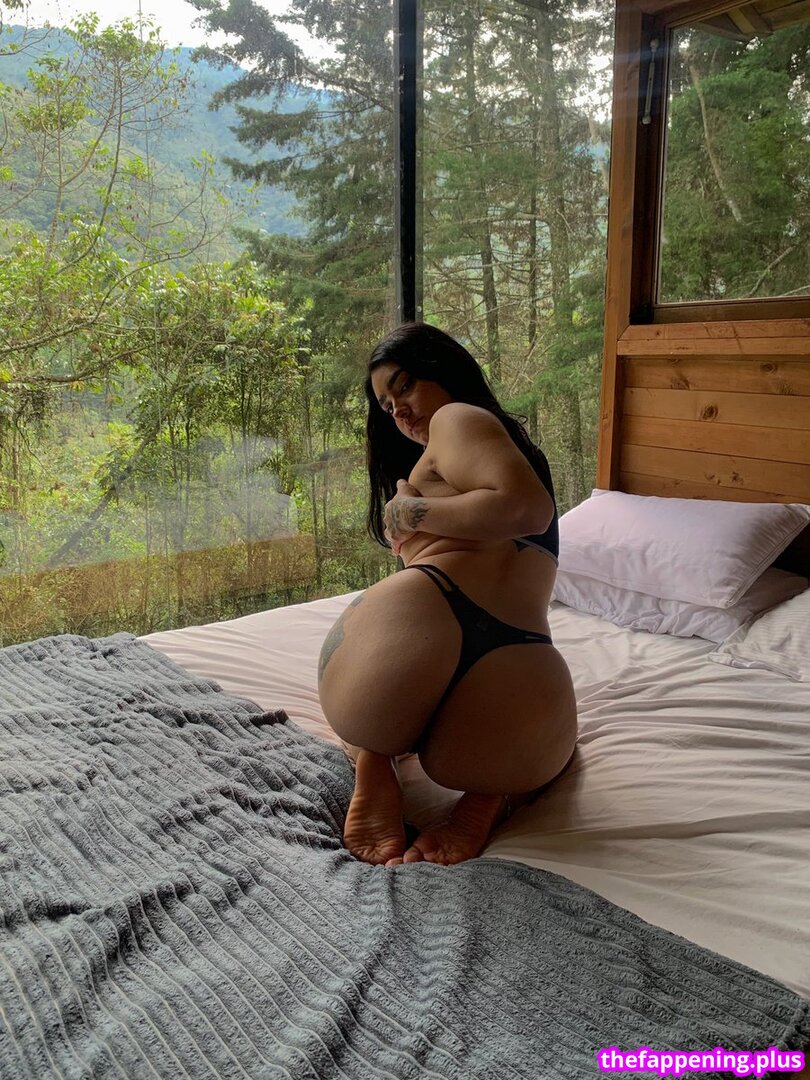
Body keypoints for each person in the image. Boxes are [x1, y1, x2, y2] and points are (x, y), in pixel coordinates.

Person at [317, 322, 577, 867]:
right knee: (496, 757)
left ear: (445, 371)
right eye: (387, 405)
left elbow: (526, 509)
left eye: (405, 386)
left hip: (432, 611)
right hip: (524, 662)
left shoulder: (456, 419)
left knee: (377, 718)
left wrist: (408, 510)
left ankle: (375, 759)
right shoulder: (501, 447)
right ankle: (486, 795)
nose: (399, 410)